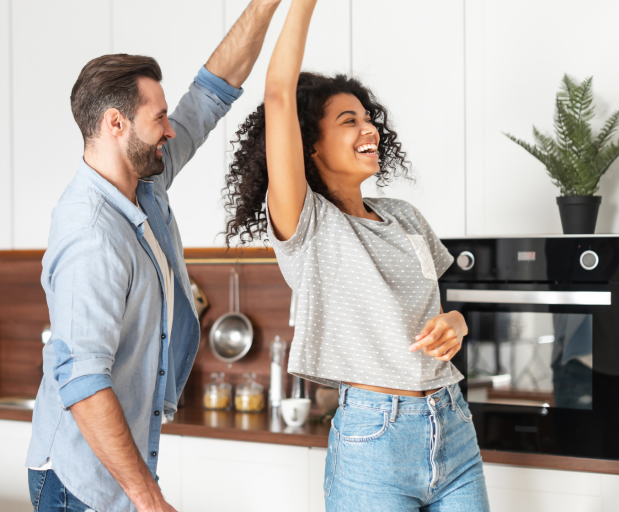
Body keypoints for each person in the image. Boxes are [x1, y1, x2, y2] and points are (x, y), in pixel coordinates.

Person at [222, 0, 491, 510]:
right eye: (350, 122)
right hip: (375, 439)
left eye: (369, 119)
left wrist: (455, 323)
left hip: (452, 423)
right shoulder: (308, 224)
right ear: (311, 145)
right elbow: (279, 95)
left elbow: (441, 313)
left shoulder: (405, 217)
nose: (370, 130)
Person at [25, 2, 283, 511]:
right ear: (116, 123)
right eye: (159, 117)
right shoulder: (90, 233)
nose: (170, 129)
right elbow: (84, 383)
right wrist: (149, 499)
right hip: (79, 484)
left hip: (118, 473)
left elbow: (211, 93)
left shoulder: (146, 181)